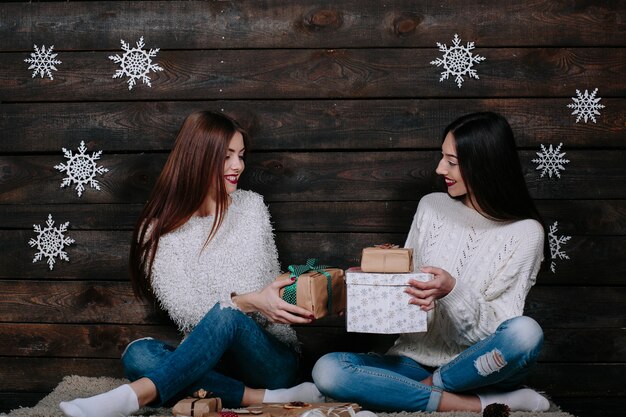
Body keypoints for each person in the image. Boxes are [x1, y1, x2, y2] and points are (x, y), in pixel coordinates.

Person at [60, 111, 324, 417]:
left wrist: (287, 297)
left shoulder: (252, 207)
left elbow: (266, 288)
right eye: (226, 157)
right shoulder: (158, 230)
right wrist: (246, 301)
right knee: (139, 354)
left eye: (240, 155)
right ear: (199, 158)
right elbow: (187, 312)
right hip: (210, 362)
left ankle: (131, 397)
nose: (237, 166)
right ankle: (261, 398)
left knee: (229, 313)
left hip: (268, 358)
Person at [312, 112, 551, 413]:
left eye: (452, 162)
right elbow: (409, 300)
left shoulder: (526, 233)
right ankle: (474, 405)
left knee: (526, 332)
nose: (440, 169)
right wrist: (370, 296)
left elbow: (497, 332)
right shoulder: (431, 207)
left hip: (481, 367)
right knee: (327, 370)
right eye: (443, 157)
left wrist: (452, 290)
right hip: (413, 362)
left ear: (484, 164)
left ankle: (426, 391)